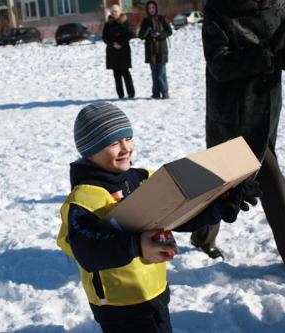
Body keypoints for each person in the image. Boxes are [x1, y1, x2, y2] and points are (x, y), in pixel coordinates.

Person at [57, 102, 226, 332]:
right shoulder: (84, 199)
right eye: (114, 143)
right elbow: (87, 249)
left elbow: (177, 215)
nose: (126, 148)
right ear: (90, 151)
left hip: (155, 291)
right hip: (120, 306)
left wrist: (218, 206)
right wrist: (136, 245)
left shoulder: (142, 179)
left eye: (128, 138)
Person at [192, 0, 285, 284]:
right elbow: (219, 65)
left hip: (265, 106)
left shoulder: (280, 4)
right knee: (258, 176)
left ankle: (202, 236)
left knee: (222, 178)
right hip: (231, 110)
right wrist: (268, 56)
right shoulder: (219, 8)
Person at [138, 1, 172, 99]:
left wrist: (160, 34)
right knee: (154, 73)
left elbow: (169, 31)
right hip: (150, 49)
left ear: (156, 8)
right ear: (147, 10)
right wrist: (148, 32)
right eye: (149, 8)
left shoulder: (162, 18)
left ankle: (165, 93)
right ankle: (156, 93)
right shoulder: (145, 21)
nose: (151, 9)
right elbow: (140, 35)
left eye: (153, 7)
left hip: (161, 49)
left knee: (161, 72)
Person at [102, 4, 136, 99]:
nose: (114, 13)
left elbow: (130, 34)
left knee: (125, 73)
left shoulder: (125, 22)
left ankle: (131, 93)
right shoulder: (108, 24)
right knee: (116, 74)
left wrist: (120, 43)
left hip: (123, 50)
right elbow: (104, 37)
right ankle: (120, 94)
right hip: (112, 51)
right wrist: (113, 43)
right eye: (112, 12)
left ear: (119, 12)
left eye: (116, 11)